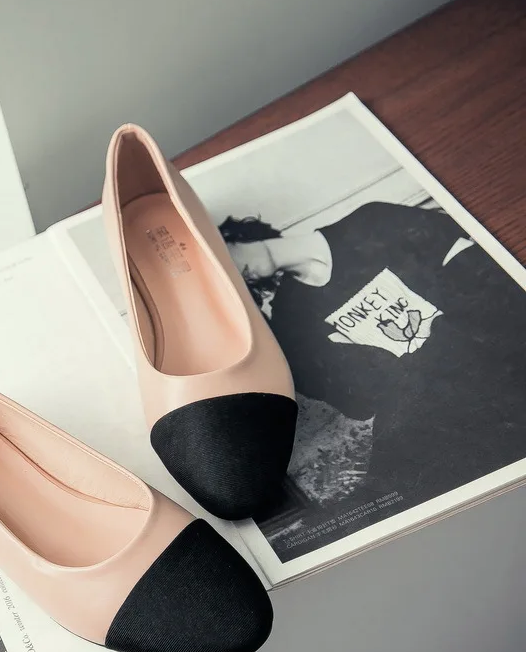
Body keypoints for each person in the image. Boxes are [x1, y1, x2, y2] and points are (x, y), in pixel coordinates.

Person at [219, 201, 526, 518]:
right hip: (430, 401)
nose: (230, 276)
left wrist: (427, 353)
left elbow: (479, 271)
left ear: (227, 238)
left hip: (487, 355)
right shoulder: (289, 315)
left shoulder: (370, 221)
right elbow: (358, 402)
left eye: (220, 263)